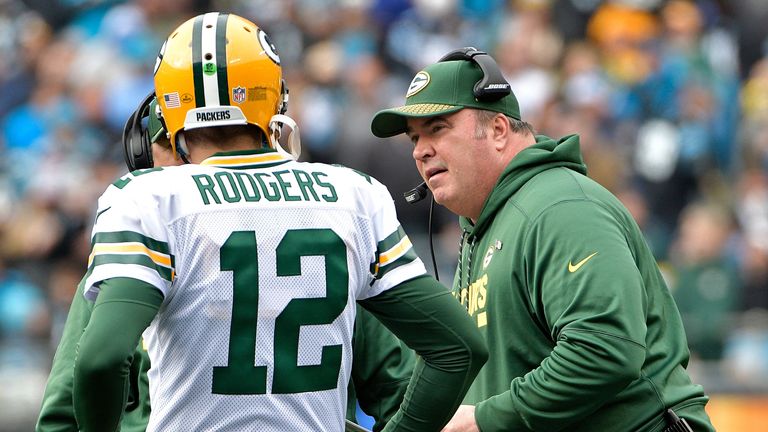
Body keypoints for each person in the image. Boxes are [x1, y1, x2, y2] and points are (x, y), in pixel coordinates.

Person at [71, 13, 486, 432]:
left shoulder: (148, 197)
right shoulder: (353, 194)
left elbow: (100, 359)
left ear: (168, 109)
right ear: (274, 97)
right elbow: (460, 348)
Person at [370, 47, 715, 432]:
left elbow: (604, 349)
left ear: (499, 130)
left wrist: (483, 420)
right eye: (414, 138)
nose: (421, 150)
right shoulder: (484, 228)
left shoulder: (561, 206)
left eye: (438, 129)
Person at [36, 96, 416, 432]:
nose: (197, 158)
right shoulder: (333, 239)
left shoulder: (330, 244)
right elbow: (66, 411)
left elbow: (398, 391)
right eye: (177, 144)